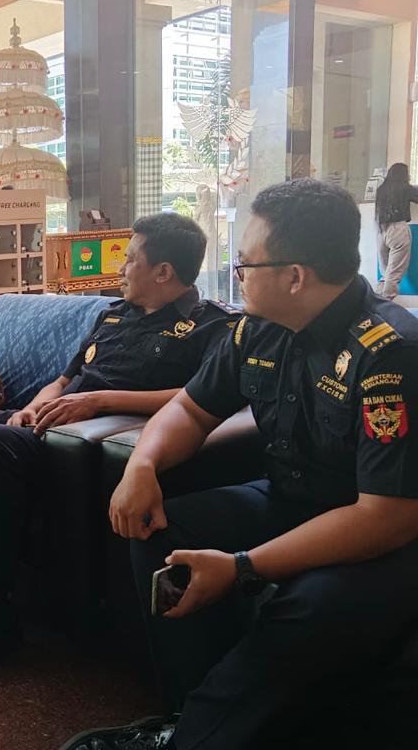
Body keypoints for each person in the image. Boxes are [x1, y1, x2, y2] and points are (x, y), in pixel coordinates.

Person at [77, 179, 418, 750]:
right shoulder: (254, 329)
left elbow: (386, 517)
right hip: (288, 501)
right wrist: (142, 465)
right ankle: (184, 713)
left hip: (375, 538)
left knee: (305, 607)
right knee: (161, 530)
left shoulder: (389, 353)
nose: (237, 274)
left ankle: (193, 739)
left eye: (245, 263)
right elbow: (189, 410)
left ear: (295, 276)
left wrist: (242, 567)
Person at [0, 213, 239, 685]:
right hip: (46, 421)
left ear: (163, 272)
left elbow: (197, 397)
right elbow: (62, 378)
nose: (121, 269)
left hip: (82, 441)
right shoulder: (113, 314)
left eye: (130, 259)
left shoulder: (209, 326)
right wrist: (33, 406)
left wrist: (100, 400)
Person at [374, 162, 418, 301]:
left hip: (381, 230)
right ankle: (386, 305)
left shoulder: (381, 189)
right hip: (398, 230)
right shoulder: (405, 188)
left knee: (385, 274)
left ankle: (375, 303)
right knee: (393, 274)